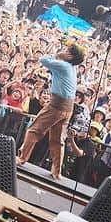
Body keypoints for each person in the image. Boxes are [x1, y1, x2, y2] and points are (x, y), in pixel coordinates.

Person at [17, 42, 86, 179]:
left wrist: (57, 55)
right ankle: (56, 172)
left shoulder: (64, 66)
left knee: (34, 129)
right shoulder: (72, 67)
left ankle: (22, 158)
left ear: (70, 55)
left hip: (56, 105)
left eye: (67, 50)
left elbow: (43, 60)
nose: (64, 50)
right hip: (68, 107)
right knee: (57, 140)